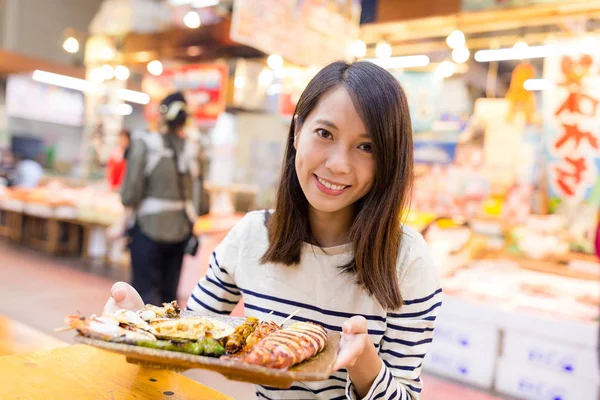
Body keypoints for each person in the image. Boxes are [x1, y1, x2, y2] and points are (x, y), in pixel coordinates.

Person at [105, 61, 441, 399]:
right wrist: (140, 326)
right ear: (297, 132)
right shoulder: (252, 234)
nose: (339, 163)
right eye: (325, 134)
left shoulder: (407, 261)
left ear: (389, 159)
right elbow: (187, 346)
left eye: (366, 147)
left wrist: (363, 362)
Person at [117, 92, 200, 306]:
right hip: (181, 231)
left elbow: (130, 194)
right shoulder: (192, 149)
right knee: (168, 299)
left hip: (148, 229)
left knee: (141, 297)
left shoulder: (145, 142)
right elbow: (201, 196)